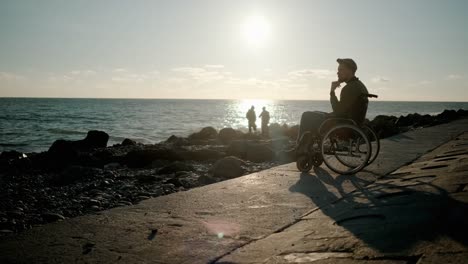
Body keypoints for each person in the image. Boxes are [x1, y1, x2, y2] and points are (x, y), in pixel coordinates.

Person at [296, 58, 369, 153]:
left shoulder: (349, 88)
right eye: (338, 70)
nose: (337, 73)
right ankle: (309, 146)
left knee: (306, 116)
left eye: (341, 70)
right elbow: (344, 110)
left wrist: (332, 92)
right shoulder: (359, 85)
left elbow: (338, 111)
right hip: (353, 124)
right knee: (314, 114)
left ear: (350, 71)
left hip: (343, 126)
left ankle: (300, 147)